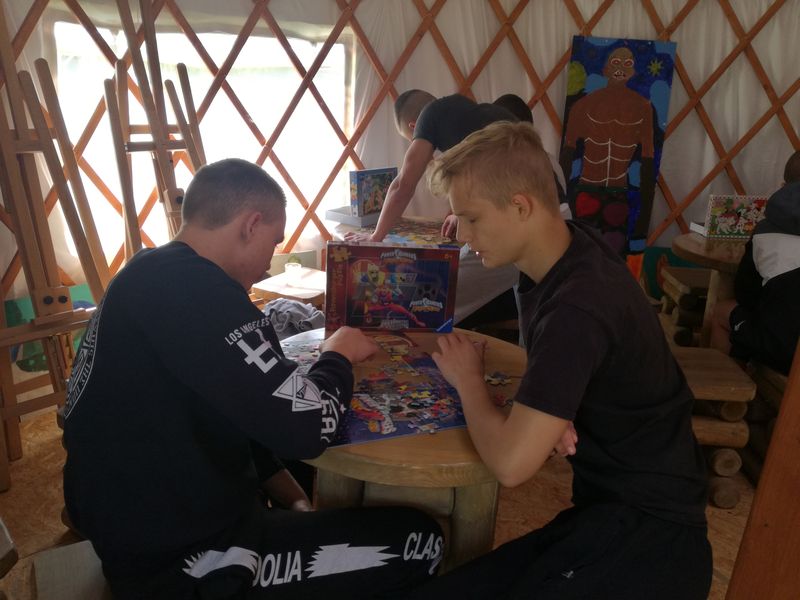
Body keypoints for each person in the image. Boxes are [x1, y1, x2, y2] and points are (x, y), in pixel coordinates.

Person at [62, 159, 443, 599]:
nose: (266, 266)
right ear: (251, 225)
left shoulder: (148, 272)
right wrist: (336, 355)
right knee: (422, 541)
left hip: (141, 518)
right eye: (274, 242)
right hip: (183, 564)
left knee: (303, 470)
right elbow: (307, 427)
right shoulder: (199, 293)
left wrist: (294, 498)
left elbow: (237, 411)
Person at [407, 122, 712, 599]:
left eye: (471, 218)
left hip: (651, 539)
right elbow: (580, 360)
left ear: (521, 207)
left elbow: (511, 466)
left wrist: (469, 381)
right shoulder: (565, 251)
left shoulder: (577, 306)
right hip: (611, 514)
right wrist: (563, 404)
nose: (463, 236)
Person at [559, 46, 656, 256]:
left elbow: (648, 162)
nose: (621, 68)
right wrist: (560, 205)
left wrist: (642, 220)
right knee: (583, 253)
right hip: (586, 189)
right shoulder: (584, 106)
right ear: (605, 69)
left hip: (619, 193)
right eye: (615, 62)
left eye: (628, 64)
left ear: (633, 72)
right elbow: (567, 155)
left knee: (614, 255)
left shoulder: (643, 108)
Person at [710, 155, 800, 375]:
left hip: (784, 352)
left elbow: (746, 294)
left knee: (723, 312)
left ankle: (728, 389)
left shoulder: (766, 231)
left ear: (782, 187)